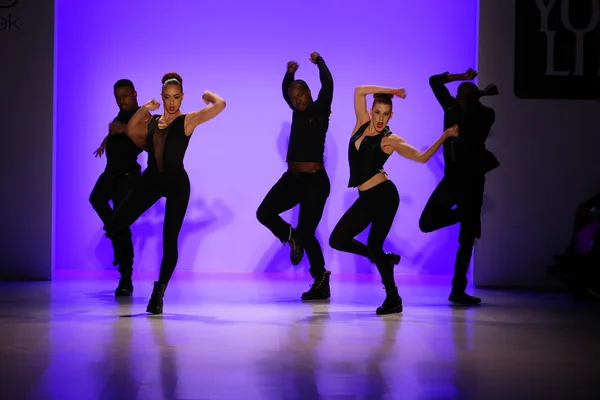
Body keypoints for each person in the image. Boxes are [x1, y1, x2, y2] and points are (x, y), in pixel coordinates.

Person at [329, 87, 459, 315]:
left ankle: (393, 298)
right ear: (371, 111)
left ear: (391, 116)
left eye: (385, 114)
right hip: (366, 196)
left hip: (384, 196)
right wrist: (392, 91)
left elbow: (421, 157)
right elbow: (359, 90)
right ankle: (383, 261)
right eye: (377, 112)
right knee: (338, 239)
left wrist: (445, 135)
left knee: (374, 244)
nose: (380, 119)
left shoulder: (390, 139)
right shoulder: (361, 123)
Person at [105, 72, 226, 314]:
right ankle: (123, 256)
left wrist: (207, 95)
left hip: (177, 184)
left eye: (176, 97)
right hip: (151, 180)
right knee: (115, 223)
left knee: (169, 241)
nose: (172, 102)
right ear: (162, 96)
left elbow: (220, 104)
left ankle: (158, 293)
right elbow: (131, 131)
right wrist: (144, 109)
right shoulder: (152, 120)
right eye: (167, 97)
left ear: (182, 98)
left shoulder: (188, 120)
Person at [256, 52, 334, 300]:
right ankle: (290, 237)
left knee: (307, 233)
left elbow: (328, 84)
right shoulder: (296, 112)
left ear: (309, 93)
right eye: (293, 98)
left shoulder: (321, 108)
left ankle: (321, 279)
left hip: (315, 181)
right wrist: (289, 74)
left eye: (300, 95)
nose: (297, 101)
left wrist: (320, 62)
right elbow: (284, 90)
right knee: (264, 212)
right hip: (292, 179)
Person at [419, 68, 499, 305]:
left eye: (467, 96)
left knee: (467, 240)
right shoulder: (450, 108)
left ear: (473, 99)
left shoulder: (486, 114)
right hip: (453, 179)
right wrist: (462, 78)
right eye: (460, 95)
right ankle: (465, 215)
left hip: (473, 179)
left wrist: (479, 95)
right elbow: (433, 80)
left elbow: (473, 130)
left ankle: (457, 291)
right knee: (427, 222)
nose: (460, 99)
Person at [90, 79, 142, 297]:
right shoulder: (119, 117)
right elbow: (116, 131)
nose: (122, 100)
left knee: (121, 226)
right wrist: (105, 140)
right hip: (110, 173)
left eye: (126, 96)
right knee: (96, 199)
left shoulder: (142, 115)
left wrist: (121, 129)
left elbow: (141, 139)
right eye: (118, 97)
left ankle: (126, 280)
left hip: (127, 177)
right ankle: (113, 230)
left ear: (134, 94)